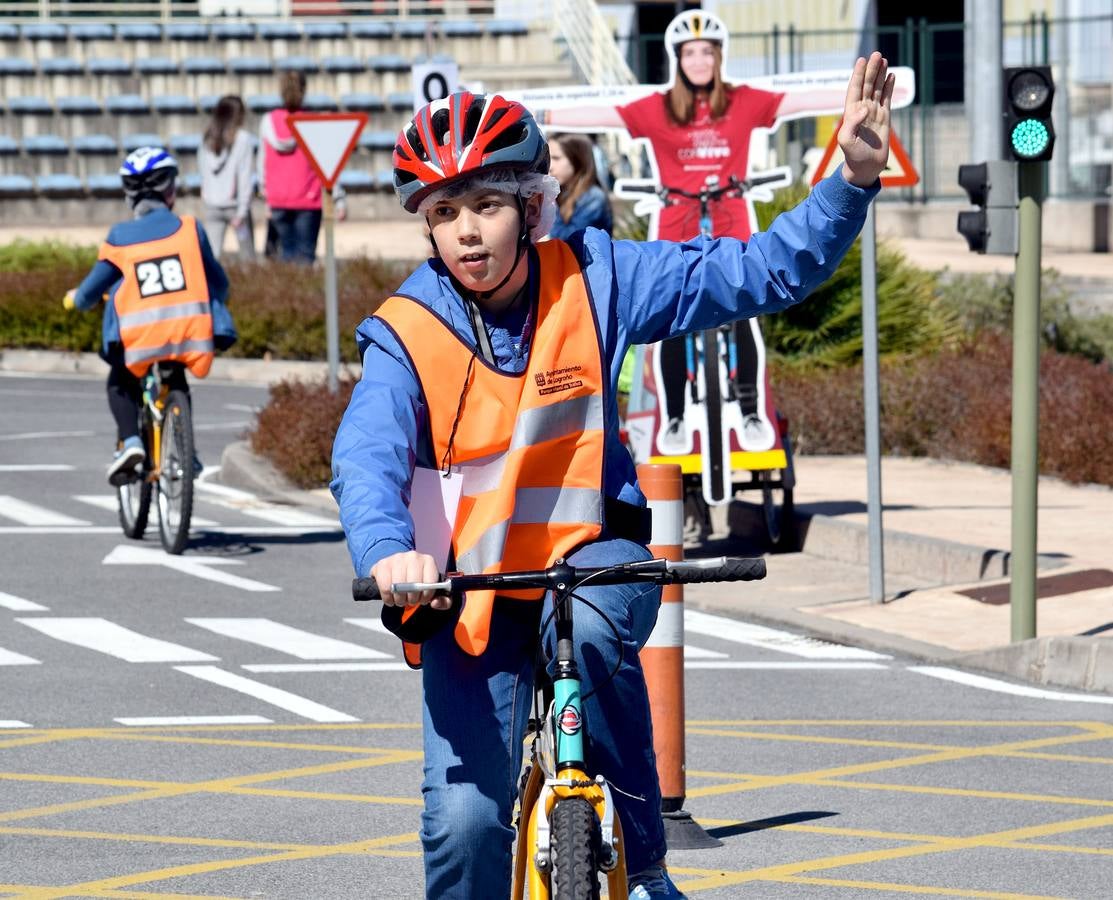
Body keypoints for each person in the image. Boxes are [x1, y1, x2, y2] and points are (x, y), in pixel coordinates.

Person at [332, 54, 893, 899]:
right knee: (463, 824)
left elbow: (761, 271)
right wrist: (387, 553)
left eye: (487, 204)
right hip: (464, 591)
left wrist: (850, 178)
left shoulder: (599, 278)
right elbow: (364, 451)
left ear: (530, 206)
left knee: (592, 636)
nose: (469, 232)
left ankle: (642, 868)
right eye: (445, 212)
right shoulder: (405, 330)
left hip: (594, 557)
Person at [545, 10, 850, 458]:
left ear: (719, 56)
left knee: (744, 308)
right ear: (677, 58)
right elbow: (607, 111)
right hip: (675, 225)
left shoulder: (743, 102)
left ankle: (748, 409)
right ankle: (673, 415)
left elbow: (791, 101)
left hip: (732, 222)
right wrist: (542, 110)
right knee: (672, 318)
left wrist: (856, 95)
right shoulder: (660, 107)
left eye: (707, 51)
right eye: (690, 52)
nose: (699, 60)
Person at [64, 147, 235, 484]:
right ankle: (186, 449)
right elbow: (220, 283)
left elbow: (89, 292)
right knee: (176, 379)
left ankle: (129, 442)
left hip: (141, 340)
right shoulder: (190, 229)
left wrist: (75, 301)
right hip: (189, 335)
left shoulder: (120, 237)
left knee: (120, 380)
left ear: (129, 194)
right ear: (170, 189)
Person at [259, 71, 346, 264]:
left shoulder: (267, 121)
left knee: (285, 256)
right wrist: (339, 198)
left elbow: (262, 163)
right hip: (308, 199)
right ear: (304, 90)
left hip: (278, 199)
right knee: (306, 258)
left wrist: (265, 196)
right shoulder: (312, 122)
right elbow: (327, 165)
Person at [199, 94, 256, 261]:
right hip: (236, 207)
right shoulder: (243, 139)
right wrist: (242, 210)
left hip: (212, 204)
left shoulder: (206, 138)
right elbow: (245, 176)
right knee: (248, 259)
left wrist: (207, 195)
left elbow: (203, 171)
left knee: (212, 258)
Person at [547, 131, 613, 239]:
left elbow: (567, 239)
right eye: (548, 158)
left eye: (556, 158)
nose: (550, 166)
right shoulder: (563, 192)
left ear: (578, 159)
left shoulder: (593, 198)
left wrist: (550, 203)